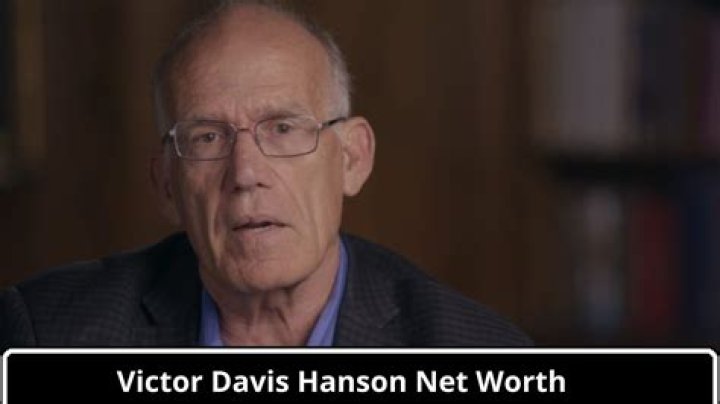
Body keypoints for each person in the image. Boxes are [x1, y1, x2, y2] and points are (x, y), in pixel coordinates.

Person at [0, 0, 531, 348]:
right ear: (166, 183)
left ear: (352, 158)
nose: (246, 173)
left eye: (282, 128)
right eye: (207, 137)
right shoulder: (48, 335)